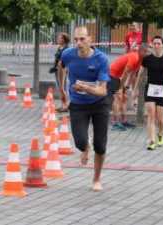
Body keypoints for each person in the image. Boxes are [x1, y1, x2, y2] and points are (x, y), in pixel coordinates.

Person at [59, 26, 110, 191]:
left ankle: (96, 179)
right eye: (76, 40)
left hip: (99, 104)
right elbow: (61, 66)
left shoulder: (101, 59)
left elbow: (103, 90)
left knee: (100, 146)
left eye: (82, 39)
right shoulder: (68, 54)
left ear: (90, 39)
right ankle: (85, 149)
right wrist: (62, 89)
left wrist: (85, 88)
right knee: (80, 142)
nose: (78, 43)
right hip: (78, 105)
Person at [134, 35, 163, 150]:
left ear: (162, 45)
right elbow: (140, 74)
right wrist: (136, 89)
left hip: (162, 91)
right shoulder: (147, 59)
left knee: (160, 119)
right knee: (151, 116)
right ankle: (151, 141)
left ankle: (160, 134)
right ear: (152, 45)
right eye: (154, 43)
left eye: (158, 43)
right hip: (150, 90)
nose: (156, 45)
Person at [109, 47, 147, 131]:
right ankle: (115, 122)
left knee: (124, 98)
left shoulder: (140, 61)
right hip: (112, 75)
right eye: (146, 52)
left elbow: (132, 74)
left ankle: (123, 121)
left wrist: (126, 87)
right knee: (117, 98)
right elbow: (126, 73)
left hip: (119, 76)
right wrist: (120, 87)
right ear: (141, 52)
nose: (148, 55)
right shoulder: (135, 57)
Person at [49, 32, 70, 112]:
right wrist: (54, 67)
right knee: (60, 88)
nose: (58, 39)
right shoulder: (59, 48)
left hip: (63, 70)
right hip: (57, 70)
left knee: (63, 87)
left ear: (64, 40)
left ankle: (66, 105)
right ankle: (63, 104)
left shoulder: (67, 49)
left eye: (60, 38)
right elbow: (57, 59)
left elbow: (65, 61)